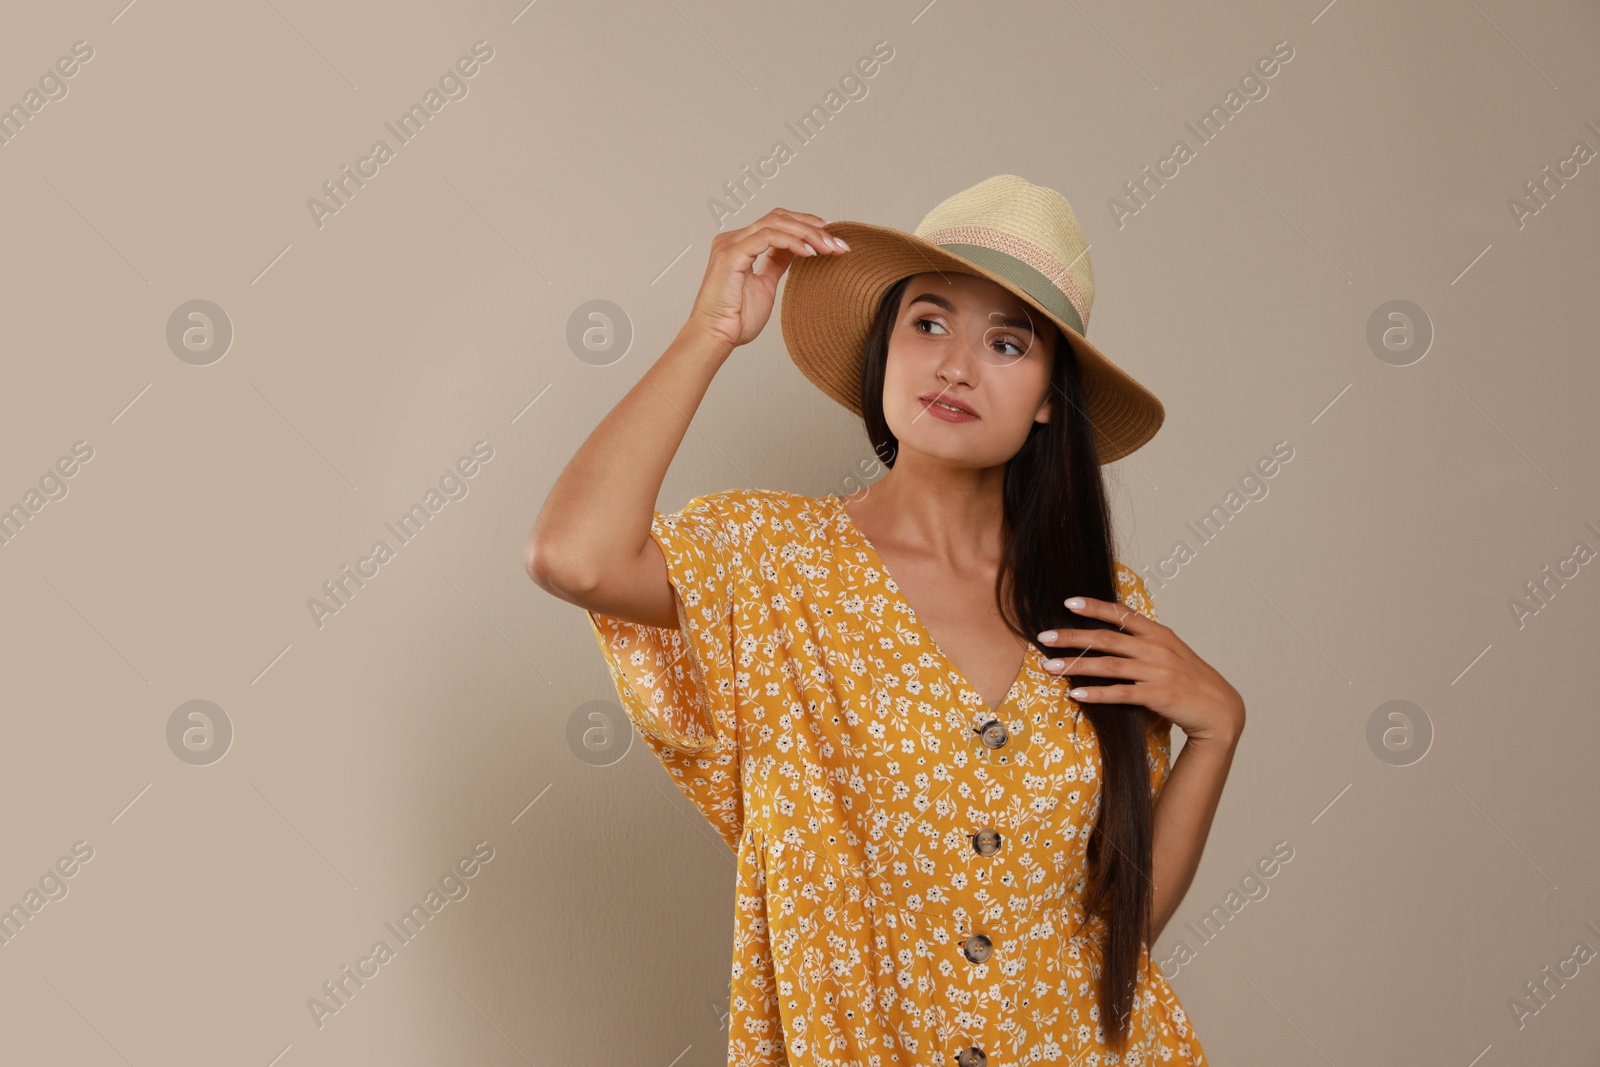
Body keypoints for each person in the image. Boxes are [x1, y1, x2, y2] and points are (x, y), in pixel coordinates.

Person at [526, 174, 1244, 1066]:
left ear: (1051, 396)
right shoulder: (773, 561)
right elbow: (574, 556)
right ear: (884, 349)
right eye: (929, 323)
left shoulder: (1097, 600)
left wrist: (1216, 731)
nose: (955, 365)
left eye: (1007, 343)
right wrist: (709, 333)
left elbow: (1113, 931)